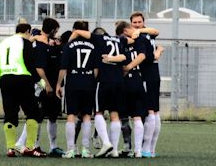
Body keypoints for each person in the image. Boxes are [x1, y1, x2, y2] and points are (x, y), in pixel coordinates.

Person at [69, 26, 127, 158]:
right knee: (115, 114)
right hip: (119, 81)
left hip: (103, 81)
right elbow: (126, 52)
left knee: (98, 112)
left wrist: (68, 45)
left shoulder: (98, 38)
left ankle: (106, 142)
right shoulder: (119, 40)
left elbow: (77, 31)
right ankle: (115, 150)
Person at [0, 22, 45, 157]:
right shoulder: (25, 43)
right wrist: (39, 80)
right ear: (27, 31)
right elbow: (29, 63)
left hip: (5, 79)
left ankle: (10, 148)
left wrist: (1, 80)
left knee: (10, 113)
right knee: (33, 112)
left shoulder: (4, 42)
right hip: (23, 79)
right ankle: (30, 146)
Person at [15, 18, 64, 157]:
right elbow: (39, 68)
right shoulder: (40, 44)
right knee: (37, 115)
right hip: (42, 85)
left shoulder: (51, 43)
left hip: (53, 86)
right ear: (53, 29)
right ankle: (27, 144)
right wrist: (46, 85)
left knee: (53, 116)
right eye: (56, 30)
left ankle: (53, 147)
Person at [56, 20, 98, 159]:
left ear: (74, 29)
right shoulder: (94, 45)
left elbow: (63, 68)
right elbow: (96, 69)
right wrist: (92, 80)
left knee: (71, 115)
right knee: (87, 116)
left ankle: (71, 149)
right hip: (89, 82)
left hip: (73, 82)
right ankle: (85, 149)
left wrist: (58, 84)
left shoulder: (69, 45)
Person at [130, 11, 164, 158]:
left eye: (139, 22)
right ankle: (150, 149)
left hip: (147, 75)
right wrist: (158, 52)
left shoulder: (141, 36)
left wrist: (157, 53)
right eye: (134, 22)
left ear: (143, 22)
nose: (137, 24)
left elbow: (148, 57)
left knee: (151, 111)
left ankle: (146, 149)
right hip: (154, 74)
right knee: (154, 111)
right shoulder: (145, 35)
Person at [116, 20, 147, 158]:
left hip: (124, 81)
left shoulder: (119, 42)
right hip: (137, 79)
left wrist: (127, 67)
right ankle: (138, 150)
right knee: (137, 117)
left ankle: (126, 147)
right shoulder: (140, 40)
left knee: (123, 117)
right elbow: (143, 55)